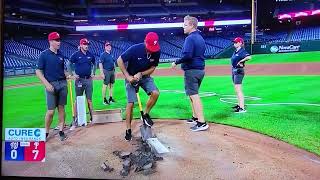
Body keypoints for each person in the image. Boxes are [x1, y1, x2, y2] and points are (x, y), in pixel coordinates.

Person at [117, 32, 160, 141]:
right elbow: (119, 60)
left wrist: (141, 73)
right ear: (145, 42)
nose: (151, 50)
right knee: (131, 103)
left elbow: (153, 68)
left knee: (156, 93)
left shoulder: (156, 51)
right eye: (150, 47)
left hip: (144, 77)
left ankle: (145, 114)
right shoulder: (135, 49)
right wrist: (128, 77)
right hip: (131, 77)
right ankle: (128, 129)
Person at [171, 15, 209, 132]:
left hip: (192, 70)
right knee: (193, 95)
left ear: (192, 25)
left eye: (185, 24)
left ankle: (202, 122)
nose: (183, 27)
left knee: (194, 95)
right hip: (200, 69)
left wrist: (176, 62)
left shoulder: (190, 38)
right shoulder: (200, 37)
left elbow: (187, 55)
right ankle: (195, 117)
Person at [36, 32, 69, 141]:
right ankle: (46, 132)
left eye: (59, 40)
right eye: (56, 40)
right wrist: (46, 84)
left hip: (63, 84)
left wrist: (66, 74)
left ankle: (61, 130)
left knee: (61, 108)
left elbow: (61, 69)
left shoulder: (61, 54)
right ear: (50, 41)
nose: (59, 42)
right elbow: (38, 72)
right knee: (50, 111)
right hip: (51, 85)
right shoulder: (44, 55)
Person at [68, 38, 96, 128]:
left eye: (87, 44)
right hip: (79, 80)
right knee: (78, 99)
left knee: (89, 100)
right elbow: (69, 64)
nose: (86, 45)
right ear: (80, 45)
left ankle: (93, 118)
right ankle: (75, 119)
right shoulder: (76, 55)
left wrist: (93, 72)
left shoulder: (90, 55)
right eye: (84, 44)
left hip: (88, 80)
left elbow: (94, 64)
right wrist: (72, 74)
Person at [230, 37, 251, 113]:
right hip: (234, 70)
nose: (234, 43)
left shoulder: (242, 51)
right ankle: (239, 105)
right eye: (234, 42)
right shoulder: (235, 51)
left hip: (238, 71)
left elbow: (249, 57)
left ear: (240, 43)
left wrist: (241, 61)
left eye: (236, 42)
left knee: (238, 90)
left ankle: (242, 108)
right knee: (236, 89)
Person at [99, 41, 116, 105]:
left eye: (109, 46)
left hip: (112, 71)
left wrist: (115, 71)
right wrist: (102, 73)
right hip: (106, 71)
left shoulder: (111, 54)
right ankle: (104, 99)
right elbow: (100, 64)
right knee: (105, 85)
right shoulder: (103, 55)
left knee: (111, 85)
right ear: (105, 47)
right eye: (107, 46)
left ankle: (110, 98)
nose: (109, 47)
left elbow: (113, 62)